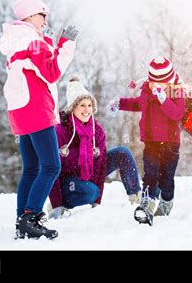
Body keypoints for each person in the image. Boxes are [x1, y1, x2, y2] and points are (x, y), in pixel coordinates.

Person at [0, 0, 79, 239]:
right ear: (31, 15)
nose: (45, 21)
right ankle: (31, 216)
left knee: (31, 169)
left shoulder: (16, 39)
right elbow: (52, 72)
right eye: (43, 16)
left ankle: (21, 219)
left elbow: (37, 68)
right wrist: (65, 45)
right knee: (51, 166)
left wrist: (46, 42)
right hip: (36, 108)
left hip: (20, 111)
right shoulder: (32, 41)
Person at [47, 77, 141, 218]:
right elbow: (52, 170)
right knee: (90, 191)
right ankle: (66, 202)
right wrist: (56, 204)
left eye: (89, 105)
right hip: (68, 179)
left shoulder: (96, 130)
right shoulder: (60, 131)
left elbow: (101, 165)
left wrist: (97, 202)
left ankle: (135, 198)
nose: (87, 110)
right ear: (73, 107)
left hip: (90, 172)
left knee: (122, 153)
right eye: (82, 105)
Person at [107, 56, 185, 226]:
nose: (156, 87)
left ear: (169, 81)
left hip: (170, 144)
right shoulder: (146, 91)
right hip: (151, 142)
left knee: (166, 179)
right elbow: (138, 104)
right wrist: (120, 103)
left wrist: (163, 99)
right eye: (153, 83)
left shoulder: (176, 92)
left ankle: (165, 203)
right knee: (150, 174)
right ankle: (146, 205)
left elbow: (177, 114)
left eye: (161, 84)